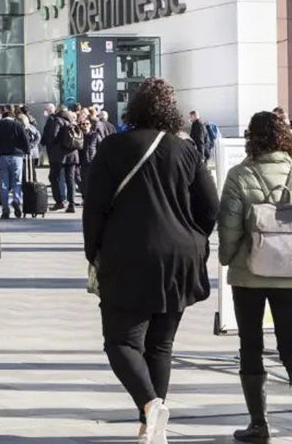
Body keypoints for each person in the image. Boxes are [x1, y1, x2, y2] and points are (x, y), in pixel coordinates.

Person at [83, 78, 219, 444]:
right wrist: (189, 236)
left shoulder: (113, 147)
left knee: (121, 342)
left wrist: (93, 251)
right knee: (161, 345)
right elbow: (211, 209)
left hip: (127, 254)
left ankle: (148, 406)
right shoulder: (186, 149)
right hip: (180, 257)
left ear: (134, 109)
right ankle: (151, 426)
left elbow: (93, 208)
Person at [217, 111, 292, 444]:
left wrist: (227, 259)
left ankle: (259, 425)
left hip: (249, 274)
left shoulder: (239, 176)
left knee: (250, 346)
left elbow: (229, 228)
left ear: (253, 138)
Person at [0, 109, 31, 219]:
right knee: (17, 181)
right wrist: (27, 151)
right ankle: (16, 199)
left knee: (3, 184)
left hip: (2, 156)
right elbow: (25, 139)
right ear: (12, 117)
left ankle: (5, 209)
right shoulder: (18, 125)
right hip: (17, 156)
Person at [20, 113, 42, 182]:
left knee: (28, 169)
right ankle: (32, 183)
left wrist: (30, 145)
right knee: (30, 169)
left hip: (29, 152)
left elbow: (37, 137)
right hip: (31, 152)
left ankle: (30, 184)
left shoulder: (28, 128)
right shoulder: (32, 127)